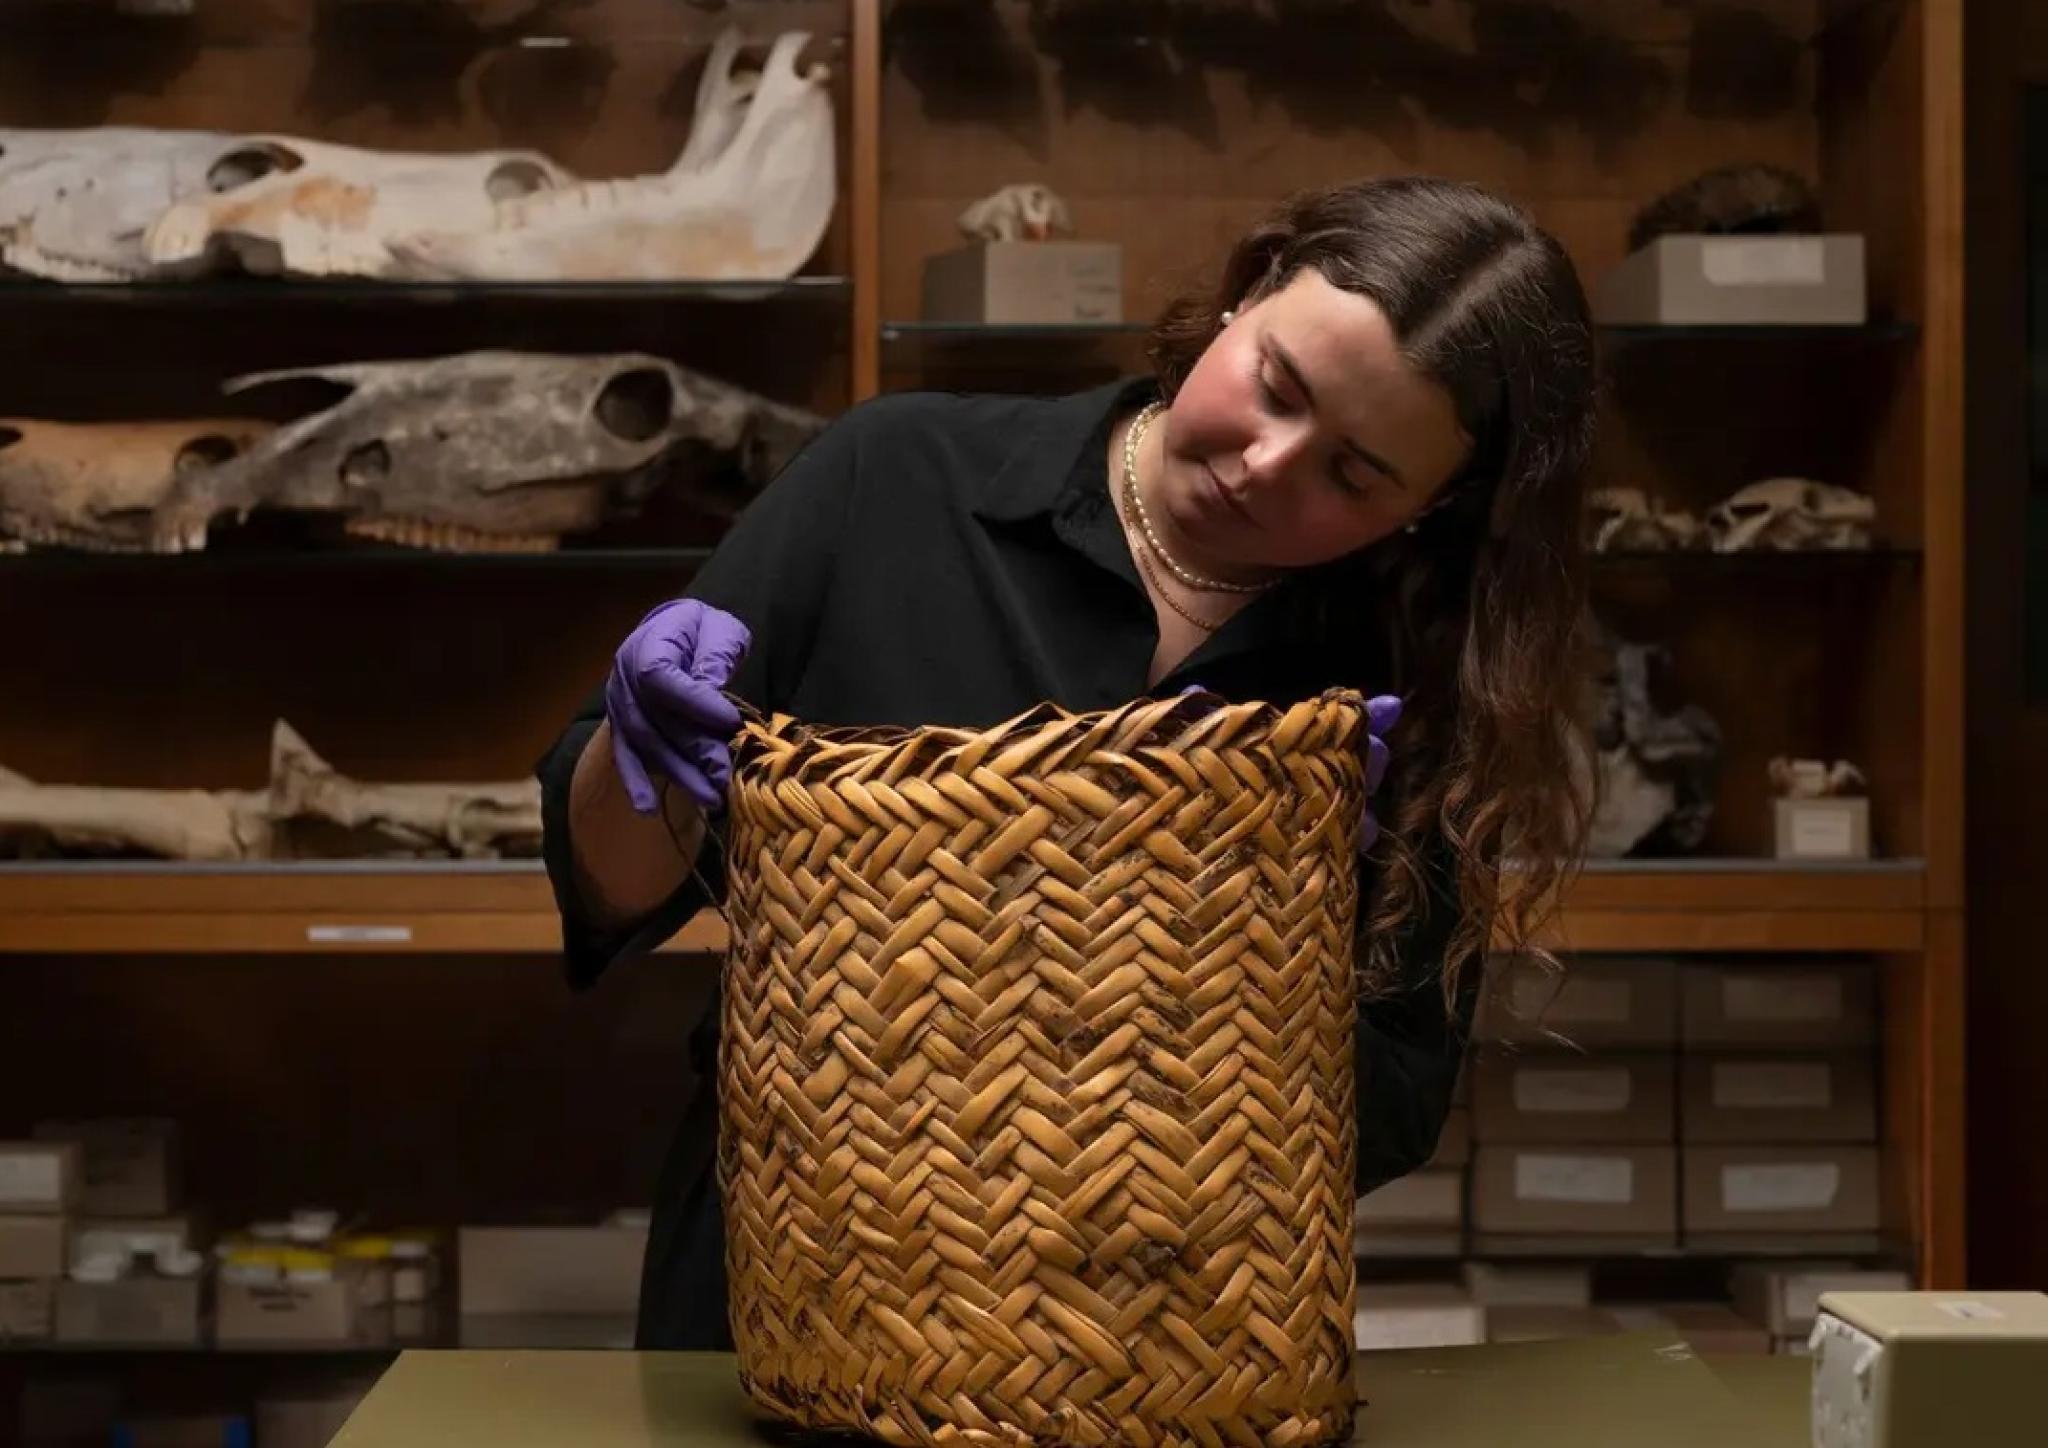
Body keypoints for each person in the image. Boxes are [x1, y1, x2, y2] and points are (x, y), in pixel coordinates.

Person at [535, 174, 1600, 1351]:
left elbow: (1392, 1098)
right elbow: (605, 891)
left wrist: (1247, 955)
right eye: (1274, 386)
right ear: (1245, 296)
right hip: (793, 1281)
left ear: (1429, 509)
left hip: (1156, 1338)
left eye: (1352, 475)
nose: (1264, 465)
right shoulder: (892, 479)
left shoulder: (1404, 673)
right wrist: (644, 749)